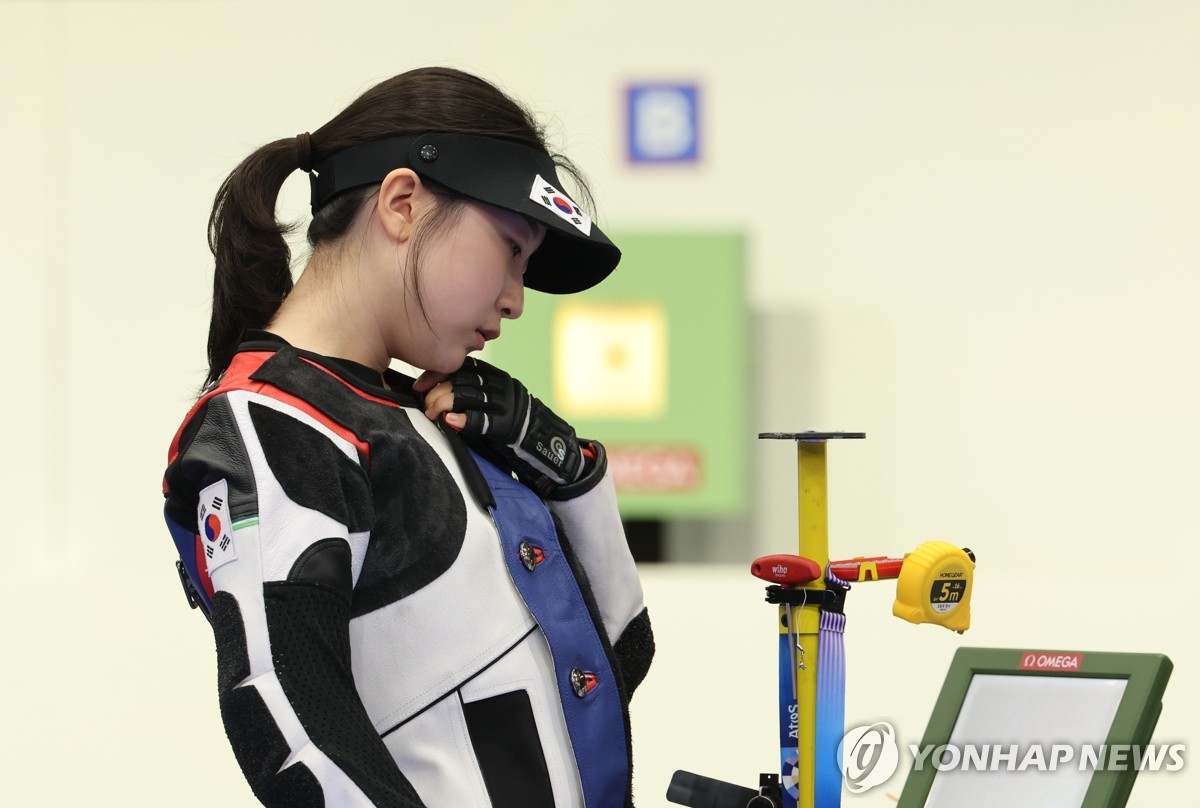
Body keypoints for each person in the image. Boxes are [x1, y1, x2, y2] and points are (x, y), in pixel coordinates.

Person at [162, 66, 654, 808]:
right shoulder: (273, 421)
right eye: (511, 249)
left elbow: (619, 657)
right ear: (402, 203)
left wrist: (568, 470)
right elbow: (290, 727)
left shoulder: (427, 413)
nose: (516, 300)